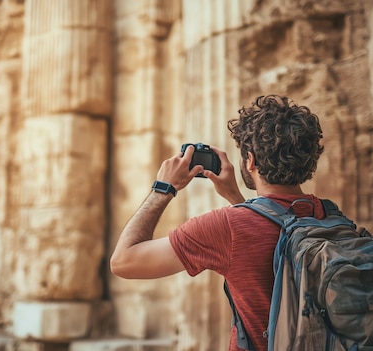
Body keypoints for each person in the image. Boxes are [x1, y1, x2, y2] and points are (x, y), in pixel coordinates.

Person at [110, 94, 326, 351]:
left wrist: (163, 188)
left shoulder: (226, 227)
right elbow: (270, 228)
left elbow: (124, 261)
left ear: (251, 161)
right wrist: (237, 199)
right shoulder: (326, 213)